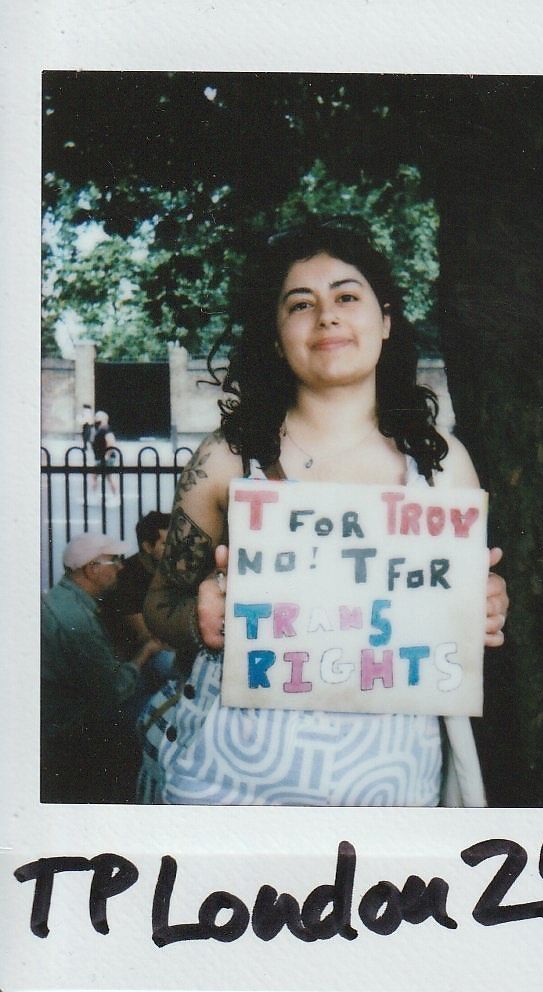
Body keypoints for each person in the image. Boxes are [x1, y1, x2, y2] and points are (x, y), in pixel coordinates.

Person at [144, 219, 509, 807]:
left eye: (346, 296)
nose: (327, 316)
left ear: (385, 320)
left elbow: (457, 612)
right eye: (300, 304)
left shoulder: (441, 466)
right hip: (225, 788)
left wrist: (483, 606)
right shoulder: (226, 459)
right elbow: (159, 604)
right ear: (276, 333)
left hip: (390, 789)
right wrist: (199, 618)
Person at [41, 531, 161, 802]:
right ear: (92, 569)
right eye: (114, 561)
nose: (121, 567)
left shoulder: (65, 599)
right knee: (159, 709)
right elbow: (114, 692)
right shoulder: (77, 618)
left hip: (62, 713)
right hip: (73, 726)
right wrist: (147, 651)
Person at [104, 511, 176, 701]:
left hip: (164, 645)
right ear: (147, 547)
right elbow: (145, 635)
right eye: (166, 544)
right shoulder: (127, 577)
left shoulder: (173, 569)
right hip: (134, 659)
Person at [91, 410, 119, 499]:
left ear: (103, 418)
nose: (95, 418)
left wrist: (106, 456)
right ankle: (116, 497)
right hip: (102, 457)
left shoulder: (105, 429)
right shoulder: (101, 429)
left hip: (105, 458)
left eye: (97, 416)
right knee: (108, 477)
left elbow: (111, 443)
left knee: (94, 476)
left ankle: (92, 496)